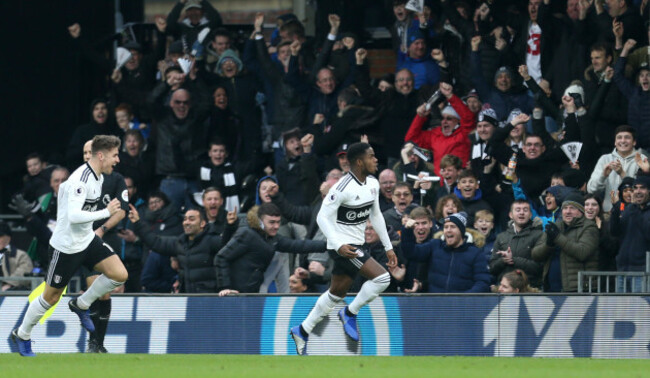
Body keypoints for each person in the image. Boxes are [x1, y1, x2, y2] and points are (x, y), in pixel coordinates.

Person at [12, 135, 127, 357]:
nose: (118, 160)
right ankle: (22, 334)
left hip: (87, 240)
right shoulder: (80, 180)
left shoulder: (99, 177)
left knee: (119, 274)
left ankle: (81, 304)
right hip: (65, 247)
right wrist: (106, 212)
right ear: (101, 155)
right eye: (115, 155)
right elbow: (74, 216)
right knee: (50, 297)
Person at [290, 143, 397, 355]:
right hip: (343, 248)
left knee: (335, 293)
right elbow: (322, 216)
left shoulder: (373, 184)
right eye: (371, 156)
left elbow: (375, 216)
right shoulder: (341, 188)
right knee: (383, 279)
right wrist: (338, 244)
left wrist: (388, 247)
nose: (376, 160)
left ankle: (302, 329)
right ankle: (350, 312)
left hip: (355, 244)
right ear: (359, 162)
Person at [82, 140, 129, 354]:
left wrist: (102, 229)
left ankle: (98, 343)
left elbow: (122, 210)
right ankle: (94, 343)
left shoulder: (115, 179)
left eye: (89, 151)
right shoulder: (78, 179)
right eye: (84, 152)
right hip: (83, 241)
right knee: (94, 290)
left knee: (105, 294)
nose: (86, 155)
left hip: (106, 237)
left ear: (98, 154)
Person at [401, 212, 491, 293]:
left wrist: (465, 298)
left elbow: (483, 282)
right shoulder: (435, 245)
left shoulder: (475, 253)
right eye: (446, 227)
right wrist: (407, 230)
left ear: (461, 231)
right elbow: (411, 252)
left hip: (461, 307)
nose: (448, 230)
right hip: (435, 305)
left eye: (453, 227)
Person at [532, 193, 599, 292]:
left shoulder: (590, 227)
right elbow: (535, 255)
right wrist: (549, 245)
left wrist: (558, 237)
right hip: (551, 287)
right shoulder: (555, 226)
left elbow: (582, 253)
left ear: (581, 211)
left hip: (578, 290)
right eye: (565, 208)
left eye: (572, 208)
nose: (568, 212)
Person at [587, 125, 645, 212]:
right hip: (609, 212)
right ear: (615, 142)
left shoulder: (642, 159)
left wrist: (622, 174)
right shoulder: (605, 159)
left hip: (635, 212)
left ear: (634, 142)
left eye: (627, 137)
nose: (623, 140)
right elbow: (591, 189)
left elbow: (641, 190)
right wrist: (603, 176)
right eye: (619, 138)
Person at [489, 200, 545, 289]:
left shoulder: (540, 235)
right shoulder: (501, 237)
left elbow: (540, 268)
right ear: (511, 215)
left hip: (529, 290)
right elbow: (492, 269)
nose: (521, 213)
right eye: (518, 210)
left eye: (525, 210)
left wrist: (513, 259)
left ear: (530, 215)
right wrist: (503, 260)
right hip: (504, 290)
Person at [610, 176, 650, 292]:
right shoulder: (629, 209)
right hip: (622, 269)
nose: (637, 191)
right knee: (622, 309)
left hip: (643, 271)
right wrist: (616, 209)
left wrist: (637, 210)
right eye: (635, 188)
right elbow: (615, 232)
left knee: (639, 308)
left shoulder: (634, 210)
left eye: (642, 188)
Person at [0, 221, 34, 291]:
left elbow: (25, 271)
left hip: (10, 292)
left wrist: (9, 284)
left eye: (0, 237)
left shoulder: (20, 255)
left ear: (8, 238)